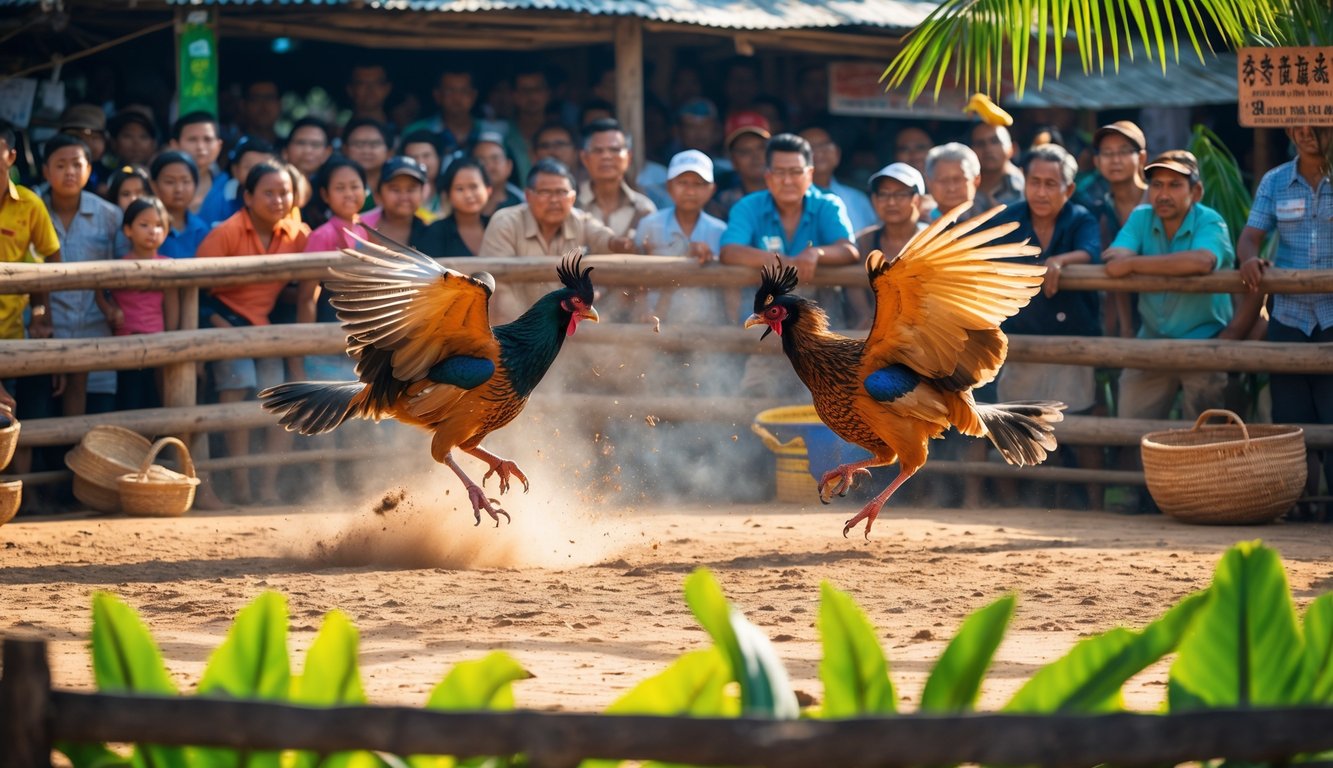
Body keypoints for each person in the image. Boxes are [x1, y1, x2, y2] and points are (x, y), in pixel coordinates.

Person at [991, 144, 1104, 506]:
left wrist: (1059, 260)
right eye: (1034, 182)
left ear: (1068, 189)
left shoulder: (1081, 217)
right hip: (1021, 339)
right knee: (1016, 422)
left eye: (1050, 184)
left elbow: (1091, 252)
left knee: (1079, 423)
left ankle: (1097, 501)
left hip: (1072, 341)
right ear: (1024, 183)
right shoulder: (1009, 217)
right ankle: (1016, 504)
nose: (1041, 191)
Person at [196, 161, 310, 505]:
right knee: (238, 385)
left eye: (285, 192)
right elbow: (195, 289)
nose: (278, 200)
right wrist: (218, 324)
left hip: (263, 329)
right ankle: (242, 484)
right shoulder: (227, 232)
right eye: (268, 192)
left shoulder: (298, 234)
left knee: (282, 397)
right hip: (224, 324)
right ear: (247, 196)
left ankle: (267, 486)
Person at [1103, 150, 1245, 422]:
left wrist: (1135, 264)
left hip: (1205, 343)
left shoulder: (1210, 220)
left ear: (1197, 191)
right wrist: (1134, 262)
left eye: (1175, 185)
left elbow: (1203, 261)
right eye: (1157, 185)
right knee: (1128, 428)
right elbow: (1114, 258)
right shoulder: (1141, 216)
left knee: (1206, 441)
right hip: (1151, 340)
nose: (1163, 194)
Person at [1236, 125, 1333, 516]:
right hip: (1289, 318)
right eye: (1299, 124)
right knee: (1291, 422)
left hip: (1331, 319)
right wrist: (1248, 259)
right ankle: (1300, 506)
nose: (1307, 133)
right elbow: (1250, 237)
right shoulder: (1275, 181)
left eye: (1318, 123)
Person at [40, 133, 123, 416]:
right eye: (61, 165)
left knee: (96, 425)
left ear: (89, 169)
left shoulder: (110, 215)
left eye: (77, 164)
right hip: (43, 332)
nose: (70, 172)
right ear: (45, 171)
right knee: (40, 418)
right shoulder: (30, 209)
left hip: (96, 332)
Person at [0, 120, 62, 452]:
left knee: (16, 416)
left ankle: (24, 494)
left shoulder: (29, 203)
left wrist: (41, 315)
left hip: (14, 329)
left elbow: (50, 261)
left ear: (10, 156)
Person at [103, 196, 180, 411]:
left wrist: (171, 336)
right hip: (126, 345)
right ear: (128, 229)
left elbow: (172, 304)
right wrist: (111, 310)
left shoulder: (169, 266)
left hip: (158, 343)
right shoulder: (117, 267)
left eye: (159, 226)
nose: (152, 231)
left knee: (157, 399)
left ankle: (156, 445)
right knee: (130, 398)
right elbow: (99, 293)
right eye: (144, 225)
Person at [635, 150, 728, 324]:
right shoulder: (649, 225)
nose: (690, 191)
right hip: (656, 322)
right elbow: (636, 277)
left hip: (707, 325)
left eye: (699, 184)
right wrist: (642, 311)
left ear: (711, 189)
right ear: (669, 186)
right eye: (683, 183)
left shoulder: (721, 231)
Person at [303, 156, 369, 381]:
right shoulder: (322, 235)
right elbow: (307, 297)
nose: (349, 193)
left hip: (357, 339)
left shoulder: (363, 230)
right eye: (340, 188)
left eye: (355, 186)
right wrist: (304, 348)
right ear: (325, 195)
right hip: (327, 337)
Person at [1084, 121, 1150, 339]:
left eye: (1123, 152)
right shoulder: (1099, 208)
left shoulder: (1160, 201)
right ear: (1097, 161)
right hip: (1120, 315)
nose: (1115, 160)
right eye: (1107, 153)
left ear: (1141, 158)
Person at [850, 162, 928, 329]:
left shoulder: (932, 240)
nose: (891, 202)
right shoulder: (865, 241)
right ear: (874, 200)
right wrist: (865, 315)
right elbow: (851, 281)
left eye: (900, 194)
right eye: (883, 194)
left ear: (918, 200)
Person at [577, 118, 656, 239]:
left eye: (614, 150)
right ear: (584, 158)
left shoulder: (644, 209)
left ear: (628, 158)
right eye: (598, 150)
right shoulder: (571, 204)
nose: (606, 156)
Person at [798, 126, 876, 234]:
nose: (818, 152)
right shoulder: (785, 199)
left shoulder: (858, 199)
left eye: (824, 145)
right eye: (809, 148)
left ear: (837, 153)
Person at [417, 157, 490, 258]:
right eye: (459, 189)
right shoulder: (436, 232)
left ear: (488, 189)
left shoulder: (497, 226)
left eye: (474, 186)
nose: (468, 195)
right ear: (448, 195)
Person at [708, 111, 771, 221]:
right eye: (744, 151)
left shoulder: (789, 192)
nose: (755, 156)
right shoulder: (722, 204)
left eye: (761, 148)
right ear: (733, 160)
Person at [169, 111, 229, 226]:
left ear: (219, 146)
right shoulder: (160, 188)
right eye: (192, 139)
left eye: (207, 139)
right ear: (175, 145)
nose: (200, 147)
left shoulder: (230, 187)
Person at [361, 156, 432, 250]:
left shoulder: (431, 227)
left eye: (411, 189)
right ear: (378, 194)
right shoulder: (360, 226)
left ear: (422, 193)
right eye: (395, 189)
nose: (404, 197)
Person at [150, 150, 210, 259]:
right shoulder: (147, 228)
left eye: (186, 181)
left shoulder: (201, 229)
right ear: (154, 186)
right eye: (170, 182)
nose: (179, 189)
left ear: (195, 185)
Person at [924, 142, 985, 223]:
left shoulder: (997, 221)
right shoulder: (917, 227)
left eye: (958, 179)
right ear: (928, 182)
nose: (951, 188)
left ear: (976, 180)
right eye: (943, 180)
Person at [58, 104, 110, 193]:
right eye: (79, 138)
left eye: (95, 138)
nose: (88, 144)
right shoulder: (55, 170)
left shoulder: (107, 175)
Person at [342, 117, 392, 211]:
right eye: (358, 144)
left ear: (389, 152)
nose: (366, 151)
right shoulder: (333, 183)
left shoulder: (399, 181)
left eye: (374, 144)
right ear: (345, 150)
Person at [970, 122, 1025, 207]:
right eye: (980, 143)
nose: (988, 149)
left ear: (1013, 148)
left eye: (995, 141)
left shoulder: (1027, 187)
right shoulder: (964, 186)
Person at [473, 131, 523, 217]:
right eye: (481, 160)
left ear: (509, 166)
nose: (488, 166)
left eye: (495, 159)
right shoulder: (461, 203)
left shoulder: (522, 203)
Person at [400, 130, 445, 221]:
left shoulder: (450, 192)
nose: (421, 163)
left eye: (426, 156)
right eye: (413, 158)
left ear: (439, 158)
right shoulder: (398, 195)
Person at [346, 63, 394, 128]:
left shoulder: (401, 133)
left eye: (377, 83)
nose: (370, 89)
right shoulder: (339, 134)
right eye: (362, 83)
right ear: (350, 89)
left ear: (387, 88)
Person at [239, 80, 282, 144]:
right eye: (256, 99)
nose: (263, 106)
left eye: (269, 98)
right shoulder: (232, 147)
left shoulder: (289, 148)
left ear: (280, 104)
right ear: (243, 105)